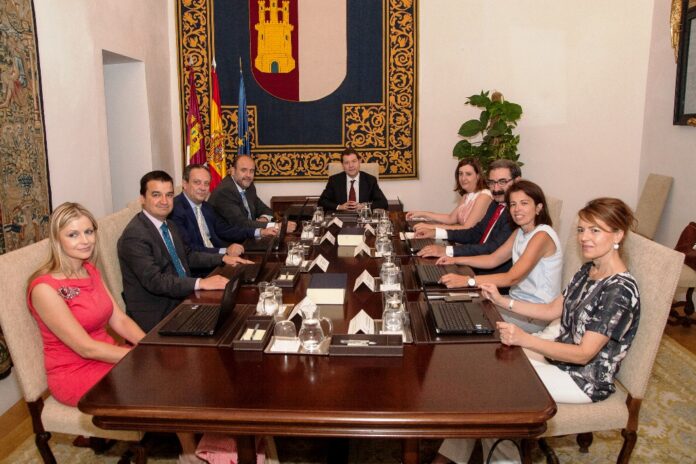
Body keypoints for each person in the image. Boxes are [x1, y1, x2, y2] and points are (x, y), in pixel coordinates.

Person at [433, 198, 640, 464]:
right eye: (581, 230)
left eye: (595, 230)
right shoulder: (589, 270)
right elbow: (553, 309)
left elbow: (583, 354)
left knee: (495, 388)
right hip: (559, 359)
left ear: (618, 235)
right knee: (484, 364)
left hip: (583, 379)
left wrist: (525, 339)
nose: (584, 238)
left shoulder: (619, 290)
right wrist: (502, 301)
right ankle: (452, 456)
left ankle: (500, 460)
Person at [27, 202, 146, 407]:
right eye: (73, 235)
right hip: (75, 372)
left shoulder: (89, 270)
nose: (85, 241)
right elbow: (86, 349)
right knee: (157, 388)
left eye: (89, 232)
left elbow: (120, 320)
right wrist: (140, 357)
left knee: (168, 376)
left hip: (109, 355)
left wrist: (149, 347)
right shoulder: (44, 288)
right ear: (57, 239)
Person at [118, 171, 252, 332]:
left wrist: (223, 258)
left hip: (185, 299)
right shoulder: (135, 236)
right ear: (142, 198)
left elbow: (187, 256)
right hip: (158, 315)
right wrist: (200, 283)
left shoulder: (169, 225)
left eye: (169, 195)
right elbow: (156, 281)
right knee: (231, 328)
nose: (164, 201)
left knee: (240, 313)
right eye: (156, 195)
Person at [436, 180, 562, 332]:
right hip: (514, 301)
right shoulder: (519, 231)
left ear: (538, 207)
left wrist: (468, 281)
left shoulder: (542, 235)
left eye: (524, 203)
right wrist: (455, 259)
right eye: (513, 204)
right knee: (456, 307)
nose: (517, 209)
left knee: (466, 320)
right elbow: (493, 259)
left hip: (536, 313)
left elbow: (512, 278)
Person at [417, 159, 521, 267]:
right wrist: (436, 233)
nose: (495, 189)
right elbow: (475, 233)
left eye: (502, 182)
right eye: (491, 182)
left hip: (490, 270)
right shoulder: (496, 204)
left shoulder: (517, 213)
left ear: (517, 181)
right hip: (475, 260)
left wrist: (447, 251)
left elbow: (491, 248)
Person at [170, 164, 278, 256]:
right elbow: (189, 249)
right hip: (199, 267)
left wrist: (260, 232)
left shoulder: (206, 207)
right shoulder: (174, 210)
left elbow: (226, 230)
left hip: (216, 258)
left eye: (206, 183)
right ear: (185, 184)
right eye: (197, 182)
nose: (203, 188)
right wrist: (225, 251)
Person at [209, 154, 296, 232]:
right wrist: (277, 226)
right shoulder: (225, 191)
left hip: (248, 236)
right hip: (229, 242)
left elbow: (265, 209)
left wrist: (264, 219)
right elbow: (241, 224)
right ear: (232, 171)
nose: (248, 175)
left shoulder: (249, 186)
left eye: (251, 171)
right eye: (243, 170)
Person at [406, 158, 492, 231]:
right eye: (460, 174)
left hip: (473, 244)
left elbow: (467, 228)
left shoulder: (484, 196)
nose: (463, 178)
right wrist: (422, 213)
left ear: (478, 176)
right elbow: (450, 218)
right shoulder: (466, 196)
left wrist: (431, 227)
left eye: (468, 174)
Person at [318, 147, 389, 211]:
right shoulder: (334, 180)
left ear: (359, 161)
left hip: (363, 217)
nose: (351, 165)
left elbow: (383, 202)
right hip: (341, 217)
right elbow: (321, 202)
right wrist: (340, 207)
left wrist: (364, 206)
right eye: (346, 163)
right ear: (342, 165)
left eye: (354, 161)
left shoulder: (370, 180)